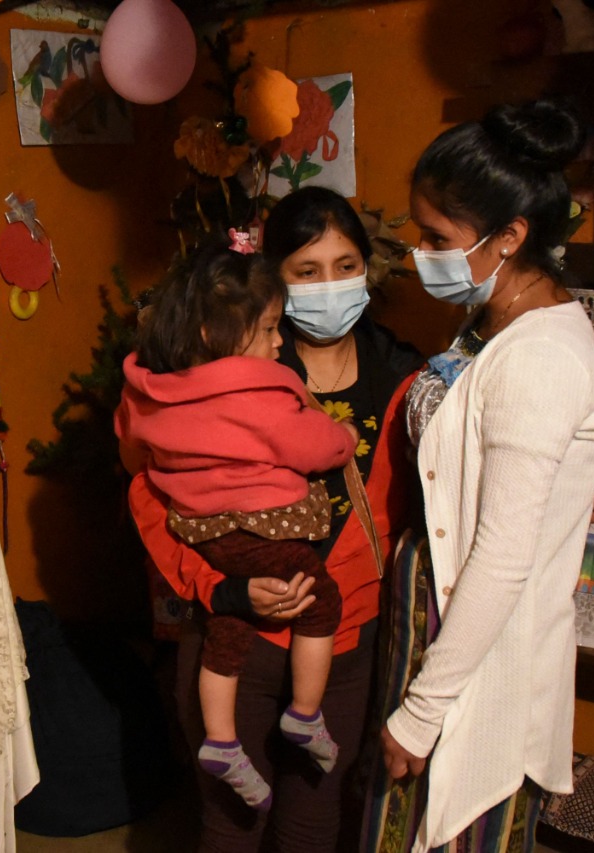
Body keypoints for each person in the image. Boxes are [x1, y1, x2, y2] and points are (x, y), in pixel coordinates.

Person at [129, 185, 423, 852]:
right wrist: (220, 588)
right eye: (307, 271)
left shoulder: (404, 376)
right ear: (275, 281)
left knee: (316, 822)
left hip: (348, 641)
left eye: (346, 266)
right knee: (230, 822)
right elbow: (150, 495)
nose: (331, 286)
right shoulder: (228, 367)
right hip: (236, 637)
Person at [367, 99, 594, 853]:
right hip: (430, 619)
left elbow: (504, 555)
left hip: (473, 639)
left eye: (438, 237)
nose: (420, 252)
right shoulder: (489, 322)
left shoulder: (539, 361)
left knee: (453, 823)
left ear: (510, 237)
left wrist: (423, 708)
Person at [117, 240, 359, 811]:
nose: (281, 341)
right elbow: (315, 446)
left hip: (204, 539)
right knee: (321, 602)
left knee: (227, 625)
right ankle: (305, 714)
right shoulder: (258, 395)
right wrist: (343, 438)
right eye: (271, 328)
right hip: (268, 535)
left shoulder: (149, 394)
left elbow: (133, 455)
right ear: (214, 334)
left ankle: (222, 741)